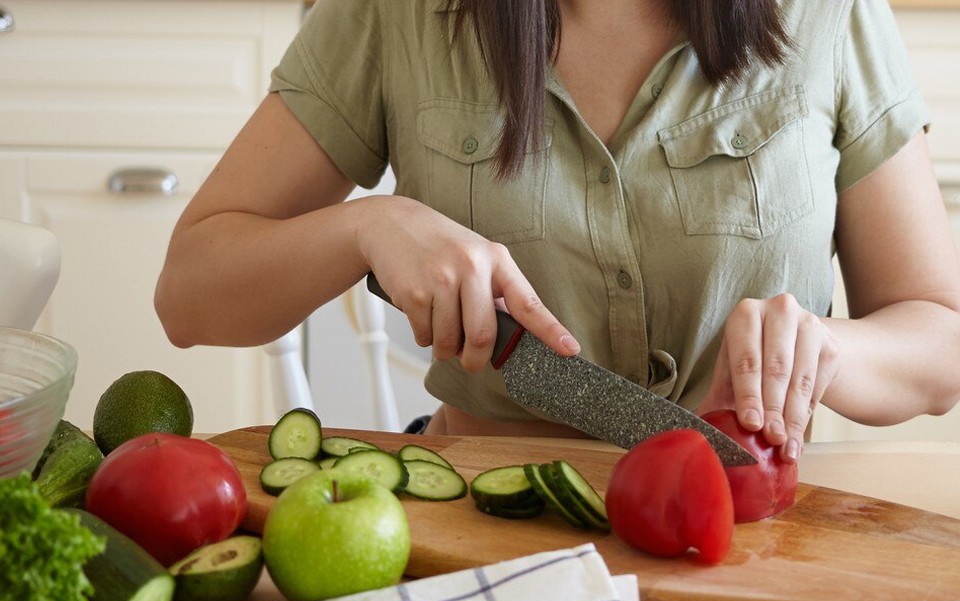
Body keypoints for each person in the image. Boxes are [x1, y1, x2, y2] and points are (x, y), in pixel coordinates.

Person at [155, 0, 960, 464]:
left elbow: (941, 336)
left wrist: (829, 351)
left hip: (751, 540)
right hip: (481, 535)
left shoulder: (830, 12)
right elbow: (189, 297)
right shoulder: (395, 13)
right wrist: (369, 225)